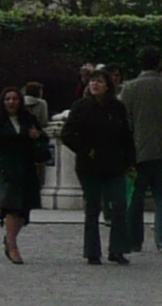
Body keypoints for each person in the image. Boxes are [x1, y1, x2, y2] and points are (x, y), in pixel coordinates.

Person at [59, 67, 139, 265]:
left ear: (108, 86)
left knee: (119, 206)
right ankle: (92, 251)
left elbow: (126, 136)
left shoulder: (117, 108)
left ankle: (118, 249)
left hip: (115, 164)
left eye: (99, 81)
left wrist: (130, 162)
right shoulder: (81, 107)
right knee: (92, 207)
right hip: (90, 165)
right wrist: (85, 150)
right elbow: (67, 134)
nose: (94, 84)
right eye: (92, 81)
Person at [119, 48, 162, 258]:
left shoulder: (130, 88)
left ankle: (133, 241)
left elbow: (126, 122)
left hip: (137, 150)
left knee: (135, 197)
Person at [0, 83, 51, 264]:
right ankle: (12, 245)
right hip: (8, 169)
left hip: (26, 168)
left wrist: (36, 137)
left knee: (24, 210)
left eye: (14, 99)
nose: (11, 102)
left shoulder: (27, 119)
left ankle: (9, 238)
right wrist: (0, 167)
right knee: (11, 207)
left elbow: (43, 138)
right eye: (8, 99)